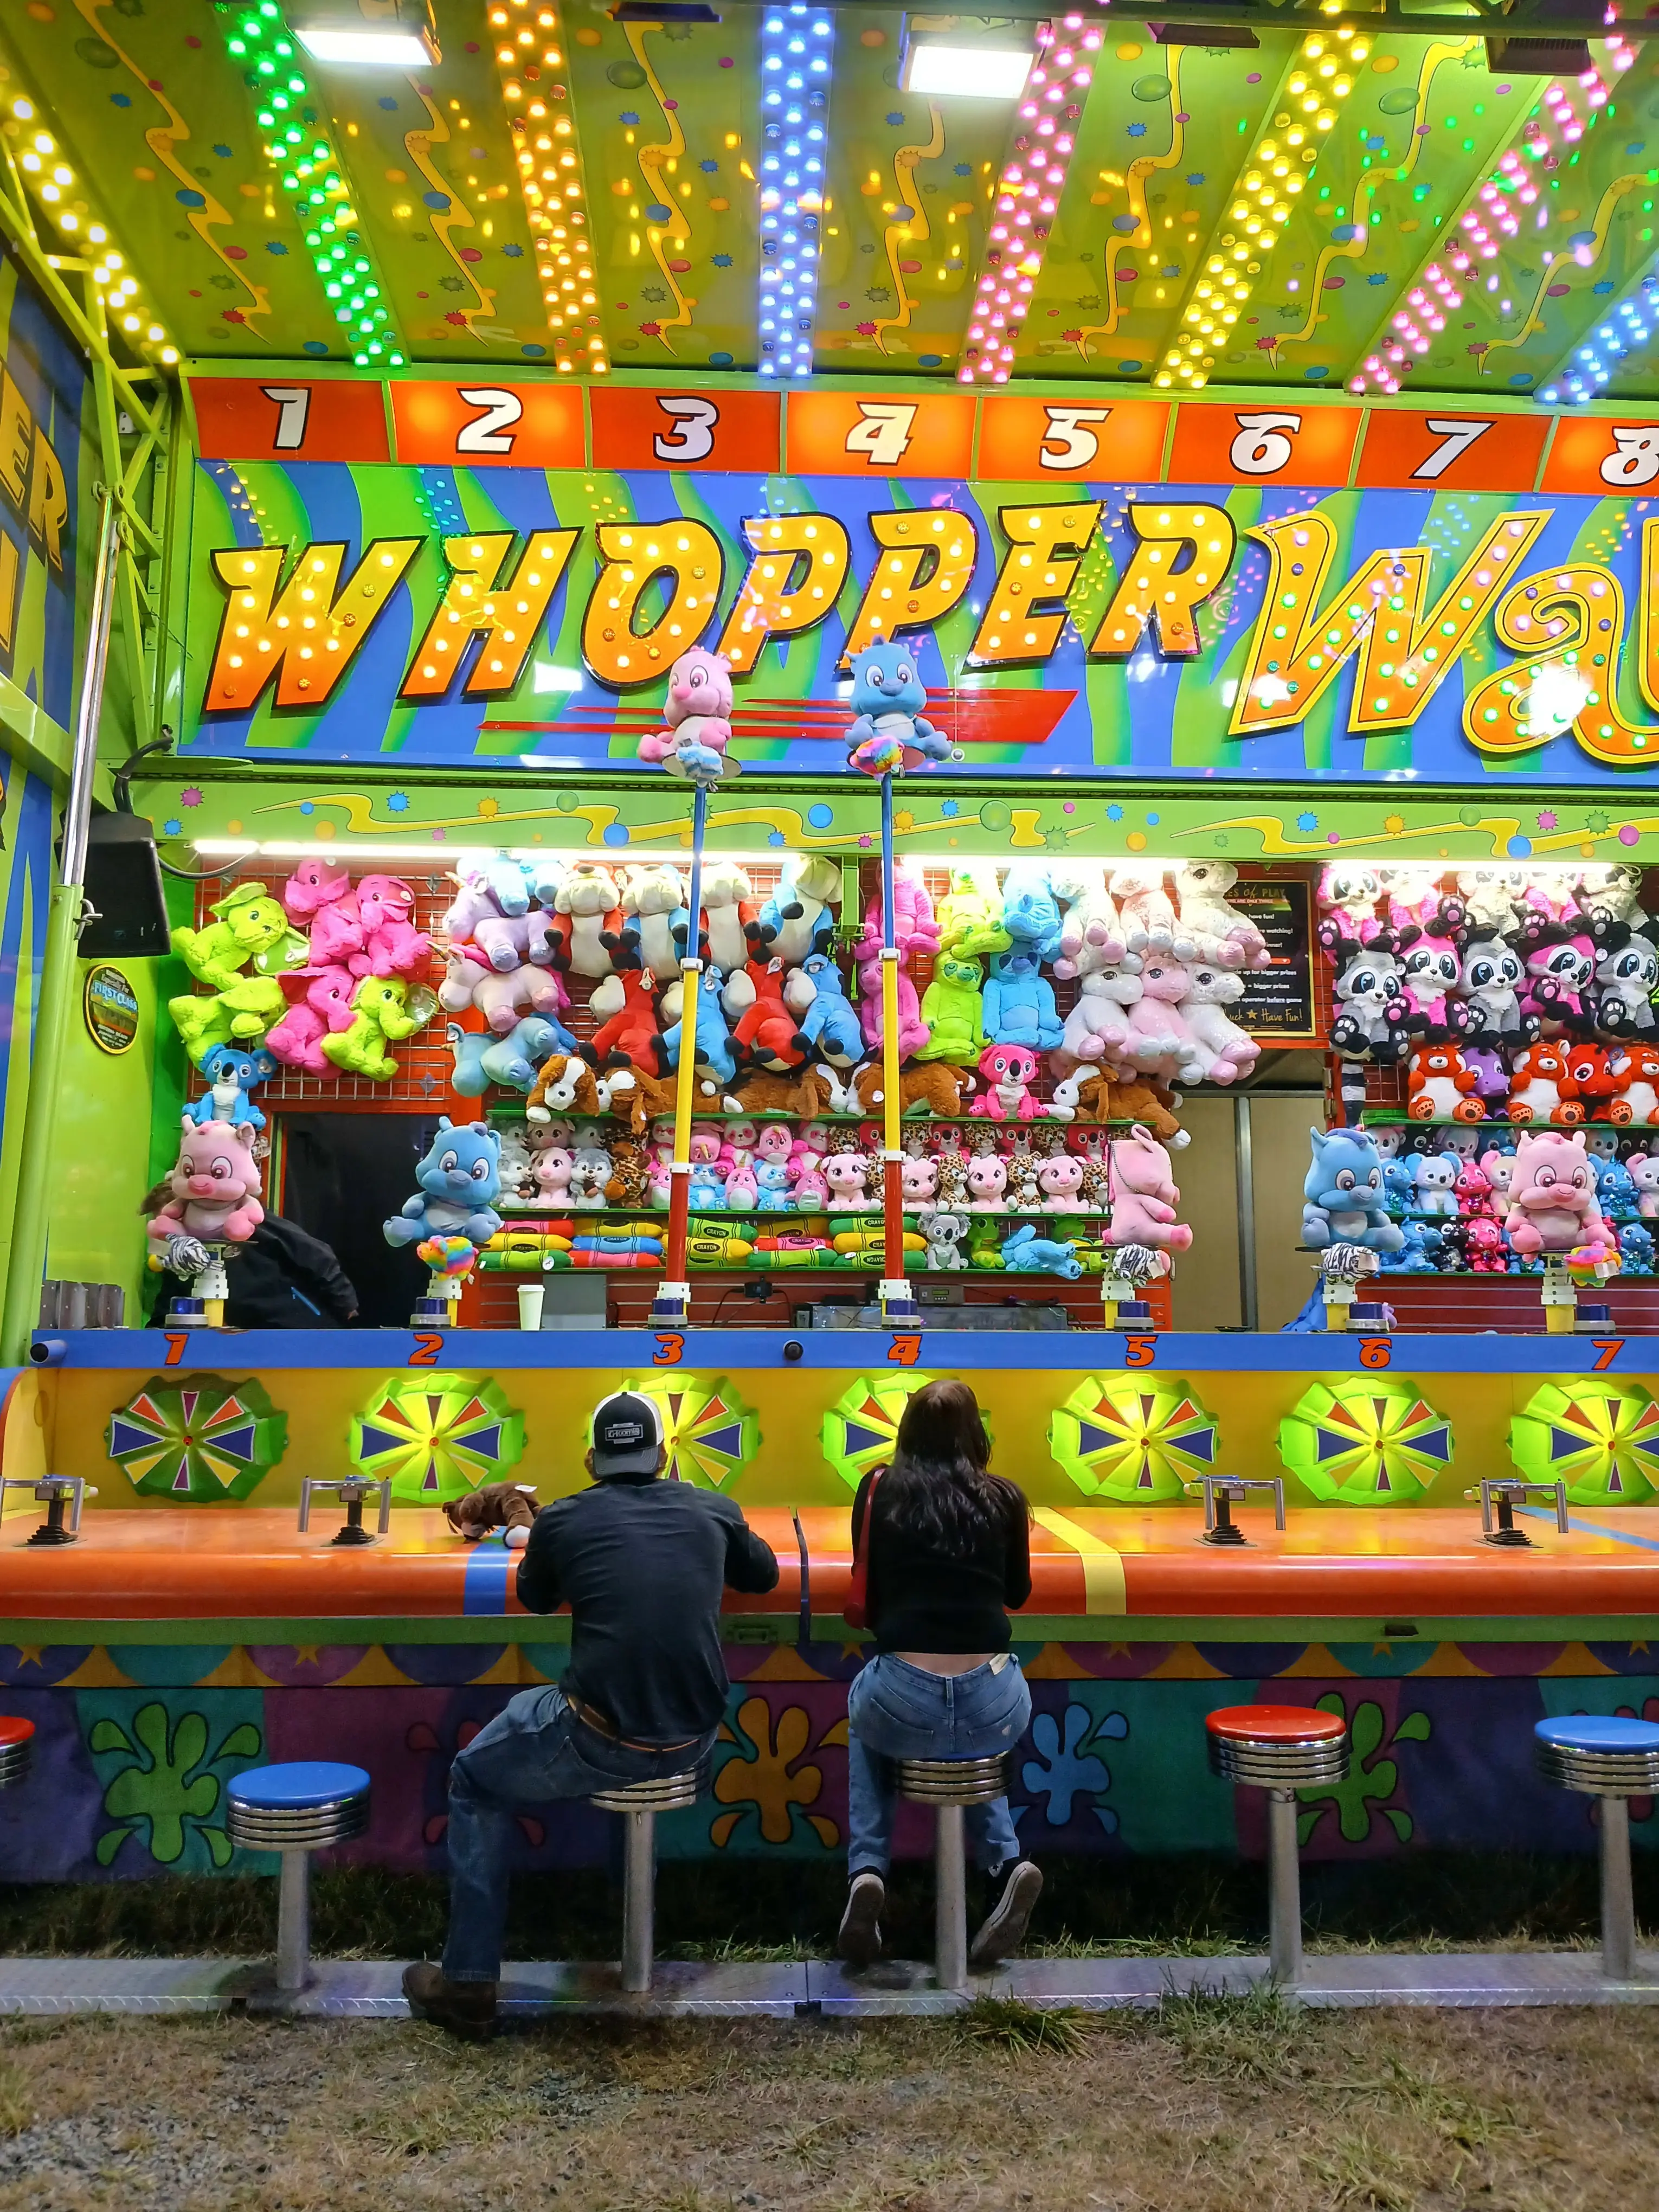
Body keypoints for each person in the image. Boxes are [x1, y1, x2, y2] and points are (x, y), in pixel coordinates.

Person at [404, 1389, 779, 2038]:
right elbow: (765, 1576)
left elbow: (535, 1597)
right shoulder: (713, 1508)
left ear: (591, 1460)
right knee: (562, 1715)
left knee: (473, 1778)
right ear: (664, 1456)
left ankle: (468, 1981)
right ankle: (614, 1908)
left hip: (598, 1738)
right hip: (696, 1739)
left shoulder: (564, 1519)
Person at [838, 1378, 1039, 1972]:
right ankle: (1005, 1865)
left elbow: (870, 1591)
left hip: (901, 1698)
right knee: (972, 1741)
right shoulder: (1005, 1498)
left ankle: (868, 1870)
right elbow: (1018, 1594)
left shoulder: (878, 1490)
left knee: (865, 1713)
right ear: (976, 1434)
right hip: (994, 1700)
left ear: (906, 1432)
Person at [144, 1199, 359, 1329]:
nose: (171, 1234)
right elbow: (167, 1305)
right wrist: (156, 1332)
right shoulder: (182, 1258)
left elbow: (314, 1254)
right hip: (254, 1338)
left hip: (305, 1325)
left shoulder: (253, 1223)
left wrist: (344, 1301)